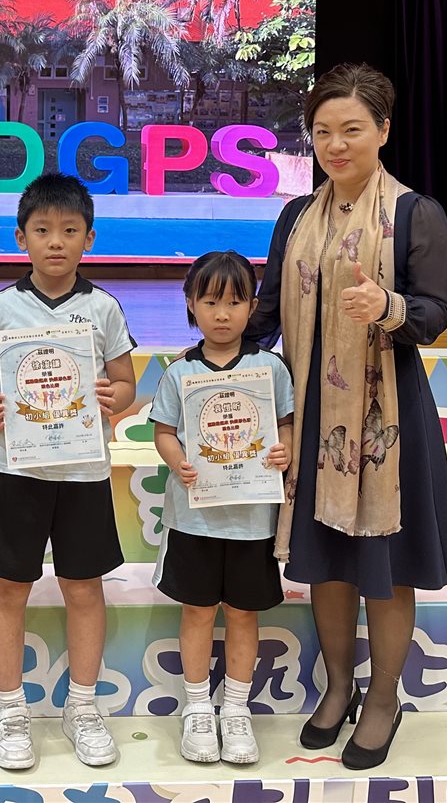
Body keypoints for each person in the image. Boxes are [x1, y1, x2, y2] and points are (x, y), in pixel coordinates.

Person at [247, 62, 447, 771]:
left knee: (384, 565)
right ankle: (339, 686)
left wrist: (388, 307)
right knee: (328, 564)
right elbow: (267, 312)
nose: (335, 145)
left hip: (385, 421)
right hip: (312, 409)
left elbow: (435, 313)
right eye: (322, 131)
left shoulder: (416, 214)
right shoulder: (294, 216)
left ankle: (383, 698)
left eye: (351, 129)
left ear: (383, 130)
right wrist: (211, 357)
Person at [0, 173, 138, 770]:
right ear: (21, 238)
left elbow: (126, 382)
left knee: (84, 587)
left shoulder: (104, 307)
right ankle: (11, 710)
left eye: (69, 230)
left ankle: (83, 707)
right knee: (9, 587)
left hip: (84, 471)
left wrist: (115, 397)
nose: (56, 242)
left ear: (89, 238)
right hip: (18, 469)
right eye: (42, 230)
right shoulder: (1, 306)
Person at [148, 250, 294, 765]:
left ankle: (235, 709)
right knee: (197, 611)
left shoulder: (269, 368)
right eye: (210, 302)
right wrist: (178, 461)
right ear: (191, 304)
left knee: (243, 614)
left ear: (253, 306)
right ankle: (195, 708)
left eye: (235, 302)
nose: (223, 314)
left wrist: (285, 451)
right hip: (195, 519)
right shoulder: (180, 372)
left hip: (252, 521)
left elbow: (287, 424)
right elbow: (164, 432)